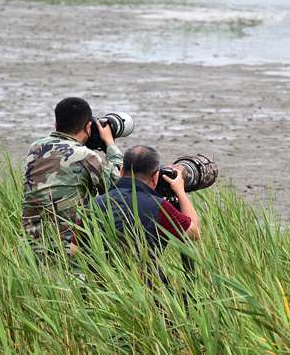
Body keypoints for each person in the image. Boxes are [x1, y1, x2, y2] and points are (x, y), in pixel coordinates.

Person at [77, 145, 201, 283]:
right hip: (146, 288)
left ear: (122, 171)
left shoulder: (95, 204)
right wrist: (180, 192)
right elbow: (194, 232)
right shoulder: (159, 207)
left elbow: (75, 251)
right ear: (155, 177)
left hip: (102, 287)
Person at [21, 97, 123, 261]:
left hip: (30, 250)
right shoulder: (85, 156)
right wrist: (109, 143)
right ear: (88, 127)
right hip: (68, 253)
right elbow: (121, 184)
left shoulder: (35, 147)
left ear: (56, 124)